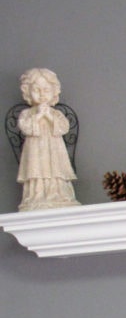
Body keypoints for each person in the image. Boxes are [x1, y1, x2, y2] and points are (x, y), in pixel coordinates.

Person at [16, 68, 80, 211]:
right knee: (36, 169)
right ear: (28, 92)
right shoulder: (27, 113)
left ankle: (58, 193)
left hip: (54, 149)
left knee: (55, 169)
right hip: (35, 149)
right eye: (36, 90)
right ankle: (36, 196)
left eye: (46, 90)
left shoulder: (55, 113)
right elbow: (25, 128)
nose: (42, 94)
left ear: (53, 92)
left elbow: (63, 128)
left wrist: (49, 117)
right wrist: (38, 116)